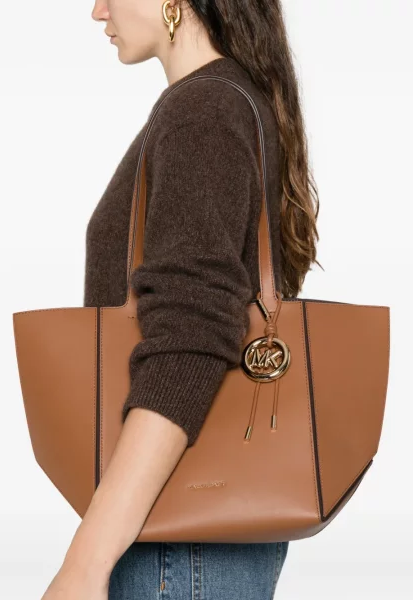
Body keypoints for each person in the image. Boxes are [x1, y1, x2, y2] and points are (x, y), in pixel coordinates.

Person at [41, 1, 319, 599]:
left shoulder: (203, 110)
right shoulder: (230, 100)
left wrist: (85, 562)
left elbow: (188, 344)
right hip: (193, 532)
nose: (97, 10)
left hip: (179, 536)